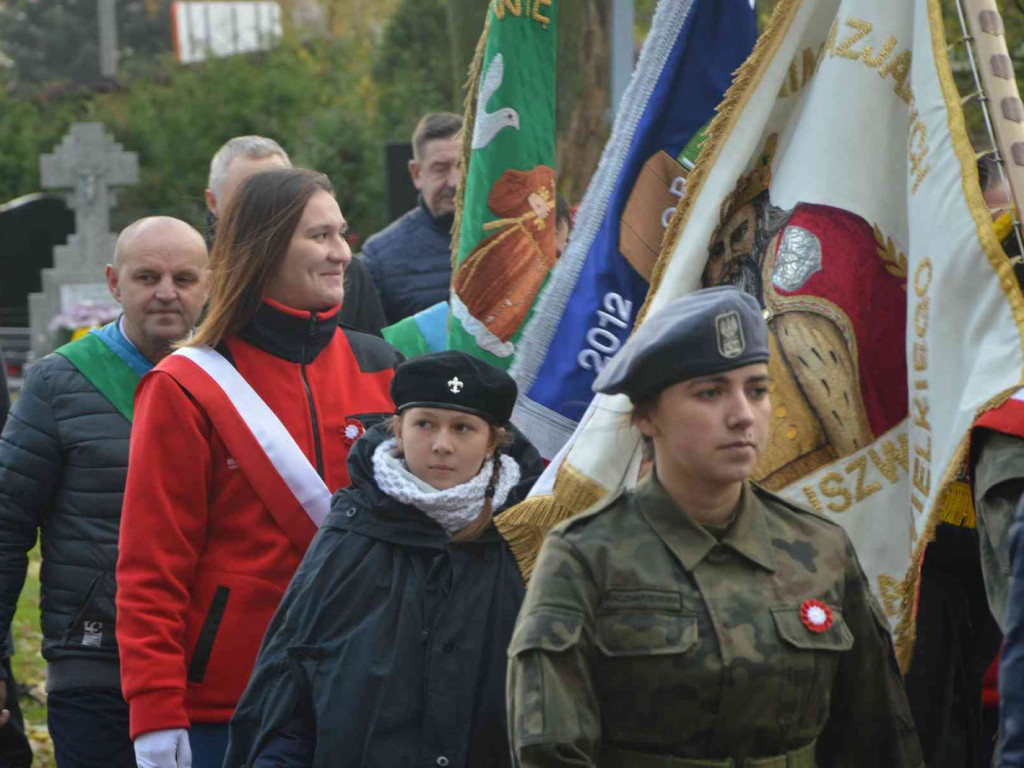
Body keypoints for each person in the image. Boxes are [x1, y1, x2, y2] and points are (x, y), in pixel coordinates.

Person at [507, 286, 924, 767]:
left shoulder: (819, 547)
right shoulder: (586, 556)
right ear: (646, 415)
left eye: (757, 390)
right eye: (710, 392)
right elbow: (548, 750)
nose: (743, 416)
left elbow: (879, 736)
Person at [116, 169, 403, 768]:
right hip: (232, 703)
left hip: (371, 688)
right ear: (266, 246)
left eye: (342, 234)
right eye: (320, 236)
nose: (341, 253)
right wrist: (155, 710)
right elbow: (152, 565)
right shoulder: (186, 385)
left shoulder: (385, 367)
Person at [225, 350, 544, 767]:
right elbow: (291, 683)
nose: (442, 445)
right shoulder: (352, 532)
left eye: (463, 428)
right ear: (397, 428)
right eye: (425, 424)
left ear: (492, 441)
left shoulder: (526, 539)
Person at [0, 217, 210, 767]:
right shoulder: (58, 384)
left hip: (213, 665)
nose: (166, 292)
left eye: (184, 278)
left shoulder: (235, 380)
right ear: (114, 283)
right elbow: (5, 525)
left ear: (211, 284)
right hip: (98, 663)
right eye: (147, 276)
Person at [206, 135, 387, 336]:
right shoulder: (188, 272)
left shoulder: (351, 274)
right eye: (251, 196)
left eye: (341, 233)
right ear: (212, 201)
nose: (270, 206)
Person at [362, 112, 461, 324]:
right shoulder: (381, 257)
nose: (454, 182)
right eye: (441, 169)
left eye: (463, 166)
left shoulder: (508, 237)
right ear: (416, 173)